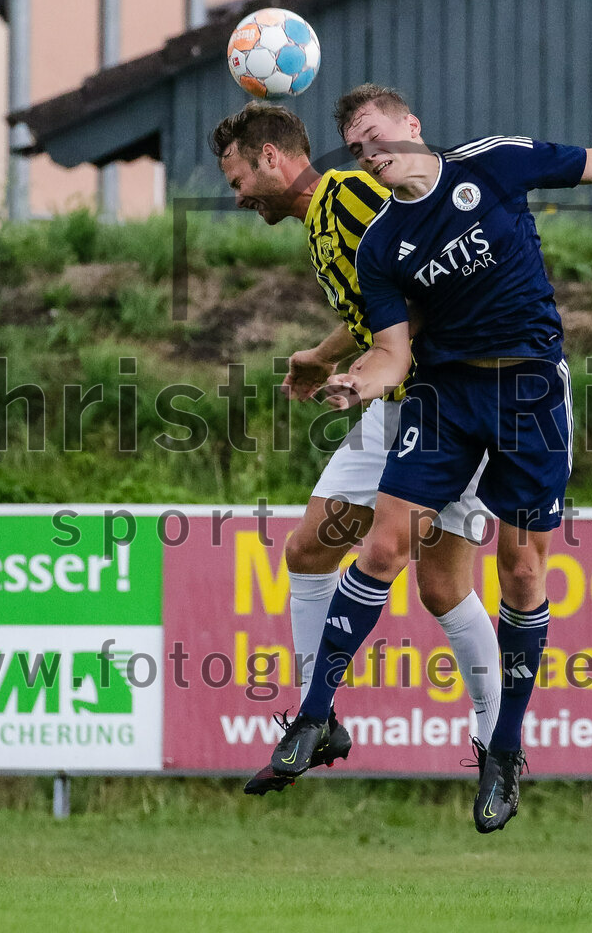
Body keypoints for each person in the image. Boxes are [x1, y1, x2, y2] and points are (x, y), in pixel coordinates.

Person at [264, 83, 592, 832]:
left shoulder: (493, 165)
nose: (370, 153)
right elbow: (390, 352)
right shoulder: (380, 245)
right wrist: (356, 382)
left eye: (377, 135)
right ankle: (314, 717)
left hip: (529, 390)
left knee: (522, 569)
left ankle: (502, 752)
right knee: (382, 542)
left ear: (413, 125)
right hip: (444, 395)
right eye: (357, 148)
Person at [209, 102, 502, 795]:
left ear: (271, 160)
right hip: (392, 402)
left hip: (449, 400)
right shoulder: (318, 223)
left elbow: (425, 254)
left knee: (440, 586)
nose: (239, 196)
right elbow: (378, 306)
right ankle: (319, 721)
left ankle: (497, 744)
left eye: (238, 179)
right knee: (308, 549)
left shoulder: (350, 194)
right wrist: (320, 353)